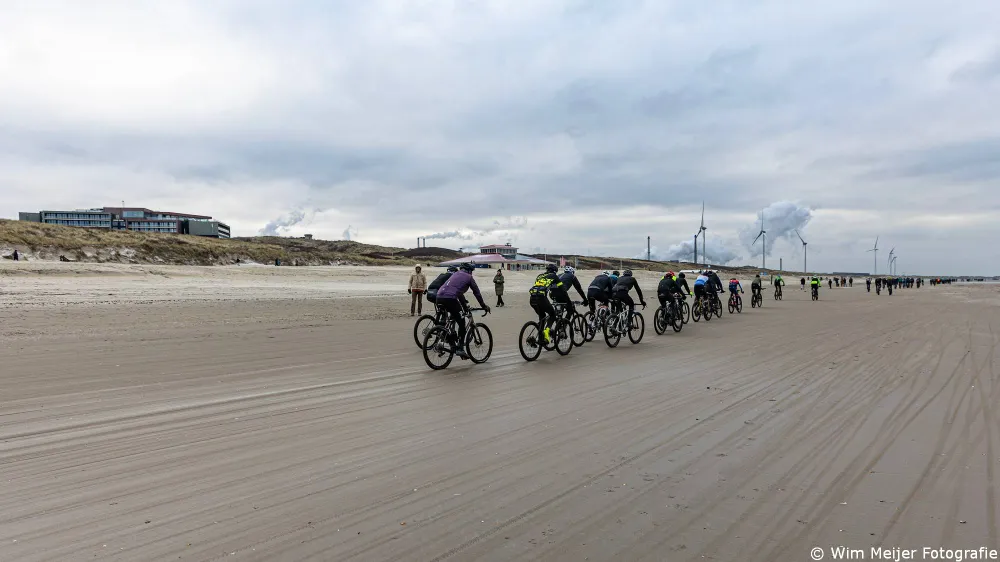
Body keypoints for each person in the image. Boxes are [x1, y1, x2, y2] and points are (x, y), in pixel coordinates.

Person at [436, 263, 490, 359]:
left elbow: (459, 293)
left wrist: (464, 307)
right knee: (461, 323)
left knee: (453, 317)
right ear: (469, 271)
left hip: (439, 297)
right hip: (450, 299)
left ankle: (448, 338)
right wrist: (483, 306)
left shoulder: (455, 274)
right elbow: (476, 292)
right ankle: (460, 348)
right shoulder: (469, 277)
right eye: (471, 271)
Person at [530, 264, 564, 343]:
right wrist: (568, 301)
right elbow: (562, 290)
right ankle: (546, 331)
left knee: (542, 316)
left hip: (532, 299)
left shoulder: (540, 276)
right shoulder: (554, 276)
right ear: (554, 271)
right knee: (552, 314)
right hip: (541, 298)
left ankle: (540, 337)